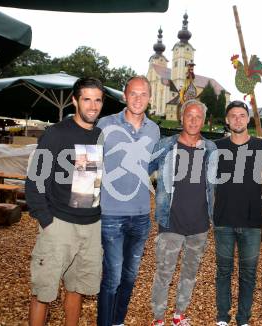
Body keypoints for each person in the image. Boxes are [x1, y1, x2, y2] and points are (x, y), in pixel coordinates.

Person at [26, 77, 105, 326]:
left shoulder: (100, 135)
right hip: (59, 225)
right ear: (75, 101)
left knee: (77, 288)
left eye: (98, 100)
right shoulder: (56, 134)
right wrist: (46, 221)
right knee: (44, 292)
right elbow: (35, 181)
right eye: (87, 99)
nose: (93, 106)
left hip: (91, 226)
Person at [97, 75, 160, 326]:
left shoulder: (154, 129)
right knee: (112, 276)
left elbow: (152, 166)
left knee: (130, 276)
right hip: (110, 213)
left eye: (143, 94)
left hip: (141, 215)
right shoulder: (104, 124)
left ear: (150, 98)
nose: (138, 99)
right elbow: (88, 165)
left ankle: (118, 321)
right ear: (124, 96)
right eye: (133, 93)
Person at [149, 99, 218, 326]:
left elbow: (215, 184)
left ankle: (179, 314)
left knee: (189, 273)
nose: (193, 120)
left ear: (204, 121)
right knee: (164, 273)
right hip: (171, 223)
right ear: (181, 118)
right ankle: (159, 318)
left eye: (198, 116)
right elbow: (142, 170)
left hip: (199, 225)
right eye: (189, 115)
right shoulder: (166, 145)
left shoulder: (211, 149)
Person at [213, 101, 262, 326]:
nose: (237, 119)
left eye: (241, 115)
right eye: (233, 116)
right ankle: (222, 317)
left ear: (247, 119)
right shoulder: (216, 147)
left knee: (248, 275)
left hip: (251, 222)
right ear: (227, 120)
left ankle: (243, 319)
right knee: (223, 272)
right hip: (223, 221)